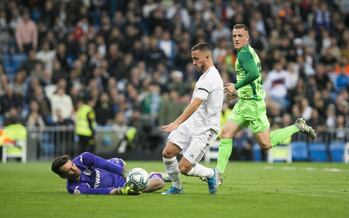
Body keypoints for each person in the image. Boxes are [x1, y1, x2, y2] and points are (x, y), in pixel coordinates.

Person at [216, 24, 317, 183]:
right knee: (226, 134)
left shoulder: (243, 54)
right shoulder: (249, 52)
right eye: (234, 35)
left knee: (266, 144)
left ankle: (297, 126)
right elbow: (251, 79)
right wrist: (238, 92)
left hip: (253, 105)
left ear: (247, 37)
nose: (236, 38)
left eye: (240, 35)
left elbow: (254, 73)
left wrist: (235, 86)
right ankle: (218, 174)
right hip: (244, 103)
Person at [161, 42, 224, 194]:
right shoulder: (205, 77)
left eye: (196, 59)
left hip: (206, 128)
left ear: (207, 57)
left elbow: (196, 103)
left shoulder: (211, 77)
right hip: (192, 122)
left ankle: (211, 174)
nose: (194, 63)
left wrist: (177, 122)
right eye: (192, 59)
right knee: (168, 152)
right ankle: (177, 187)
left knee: (184, 168)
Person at [51, 152, 169, 195]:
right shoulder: (74, 188)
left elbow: (103, 164)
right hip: (118, 184)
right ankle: (154, 174)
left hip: (110, 169)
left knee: (120, 162)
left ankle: (139, 176)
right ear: (63, 176)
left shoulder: (82, 159)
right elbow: (96, 192)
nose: (74, 169)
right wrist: (120, 191)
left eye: (72, 165)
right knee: (159, 184)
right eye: (69, 171)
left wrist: (125, 173)